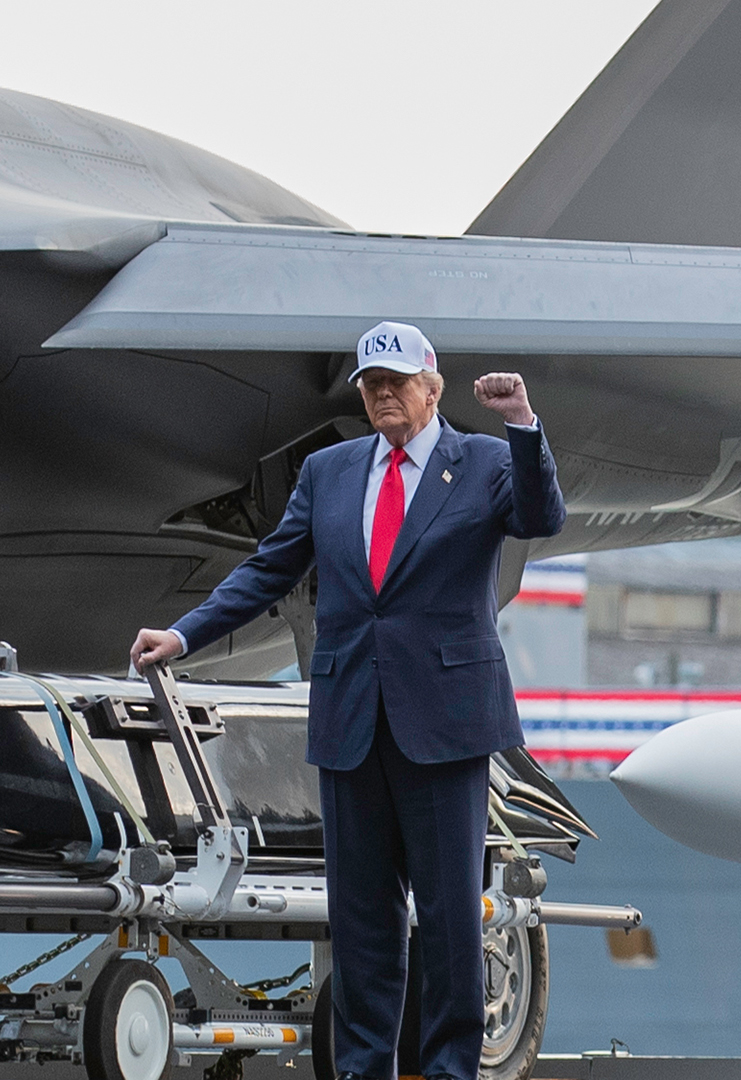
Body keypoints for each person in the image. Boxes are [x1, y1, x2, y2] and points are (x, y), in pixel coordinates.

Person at [130, 321, 566, 1080]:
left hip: (445, 724)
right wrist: (183, 635)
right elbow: (271, 568)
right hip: (350, 719)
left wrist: (524, 426)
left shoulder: (489, 460)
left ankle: (450, 1069)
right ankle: (363, 1069)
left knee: (451, 917)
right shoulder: (329, 471)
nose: (383, 393)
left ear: (432, 389)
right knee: (362, 923)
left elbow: (539, 517)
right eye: (370, 383)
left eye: (397, 380)